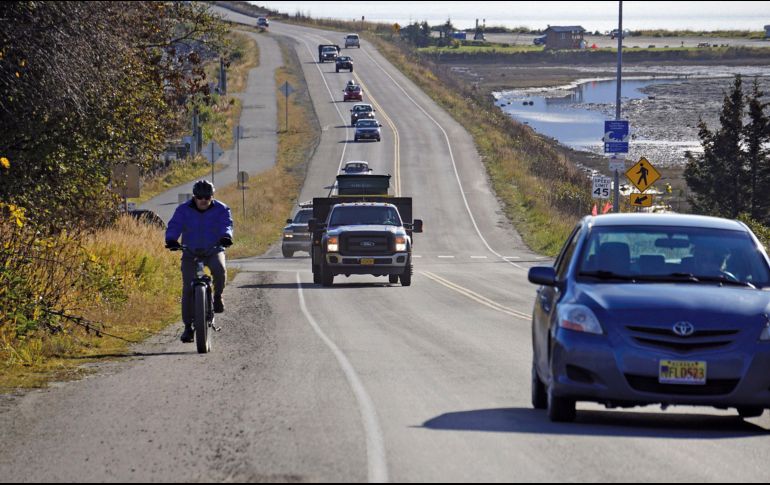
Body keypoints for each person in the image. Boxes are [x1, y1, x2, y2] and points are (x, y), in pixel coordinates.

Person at [165, 180, 233, 343]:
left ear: (212, 197)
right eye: (199, 197)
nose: (203, 200)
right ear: (194, 197)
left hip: (213, 249)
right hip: (190, 252)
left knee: (220, 269)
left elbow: (227, 225)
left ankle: (217, 297)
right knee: (188, 289)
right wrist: (171, 240)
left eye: (207, 197)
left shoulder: (221, 209)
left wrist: (226, 237)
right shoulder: (183, 210)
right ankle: (188, 328)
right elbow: (174, 226)